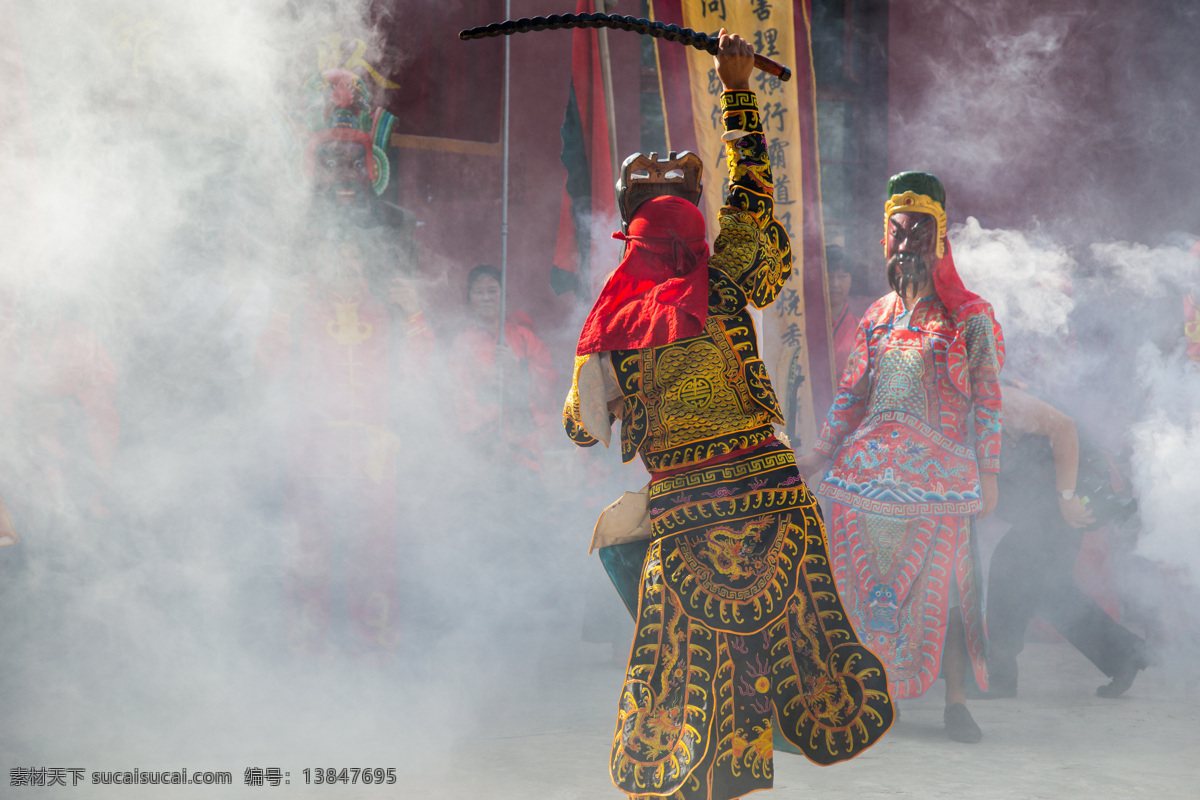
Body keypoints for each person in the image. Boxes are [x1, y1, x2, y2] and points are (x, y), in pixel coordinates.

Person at [563, 32, 893, 800]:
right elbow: (754, 194)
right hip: (772, 498)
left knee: (620, 550)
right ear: (695, 235)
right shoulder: (724, 277)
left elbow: (583, 427)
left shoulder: (606, 327)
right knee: (763, 637)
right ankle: (786, 697)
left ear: (629, 237)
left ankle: (728, 739)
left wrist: (602, 404)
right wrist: (736, 89)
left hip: (685, 508)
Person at [796, 171, 1003, 743]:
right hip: (863, 479)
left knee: (952, 590)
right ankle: (869, 693)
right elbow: (850, 396)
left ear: (940, 239)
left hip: (942, 482)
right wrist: (817, 455)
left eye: (919, 232)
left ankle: (954, 703)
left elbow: (988, 399)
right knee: (852, 588)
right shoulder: (877, 315)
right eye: (897, 231)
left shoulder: (971, 316)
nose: (907, 243)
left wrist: (989, 477)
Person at [985, 382, 1148, 698]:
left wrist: (1067, 496)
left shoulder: (999, 395)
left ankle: (999, 674)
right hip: (1049, 502)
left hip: (1065, 499)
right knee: (1048, 589)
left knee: (1010, 569)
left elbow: (1065, 426)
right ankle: (1125, 653)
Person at [450, 264, 557, 477]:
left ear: (503, 296)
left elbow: (549, 383)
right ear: (469, 298)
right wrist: (492, 437)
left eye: (492, 290)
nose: (486, 298)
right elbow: (460, 396)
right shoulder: (462, 343)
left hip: (525, 445)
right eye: (478, 292)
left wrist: (519, 366)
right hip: (483, 447)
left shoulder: (523, 338)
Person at [826, 244, 873, 381]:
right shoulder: (808, 327)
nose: (835, 284)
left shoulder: (861, 328)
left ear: (851, 280)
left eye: (842, 276)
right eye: (829, 276)